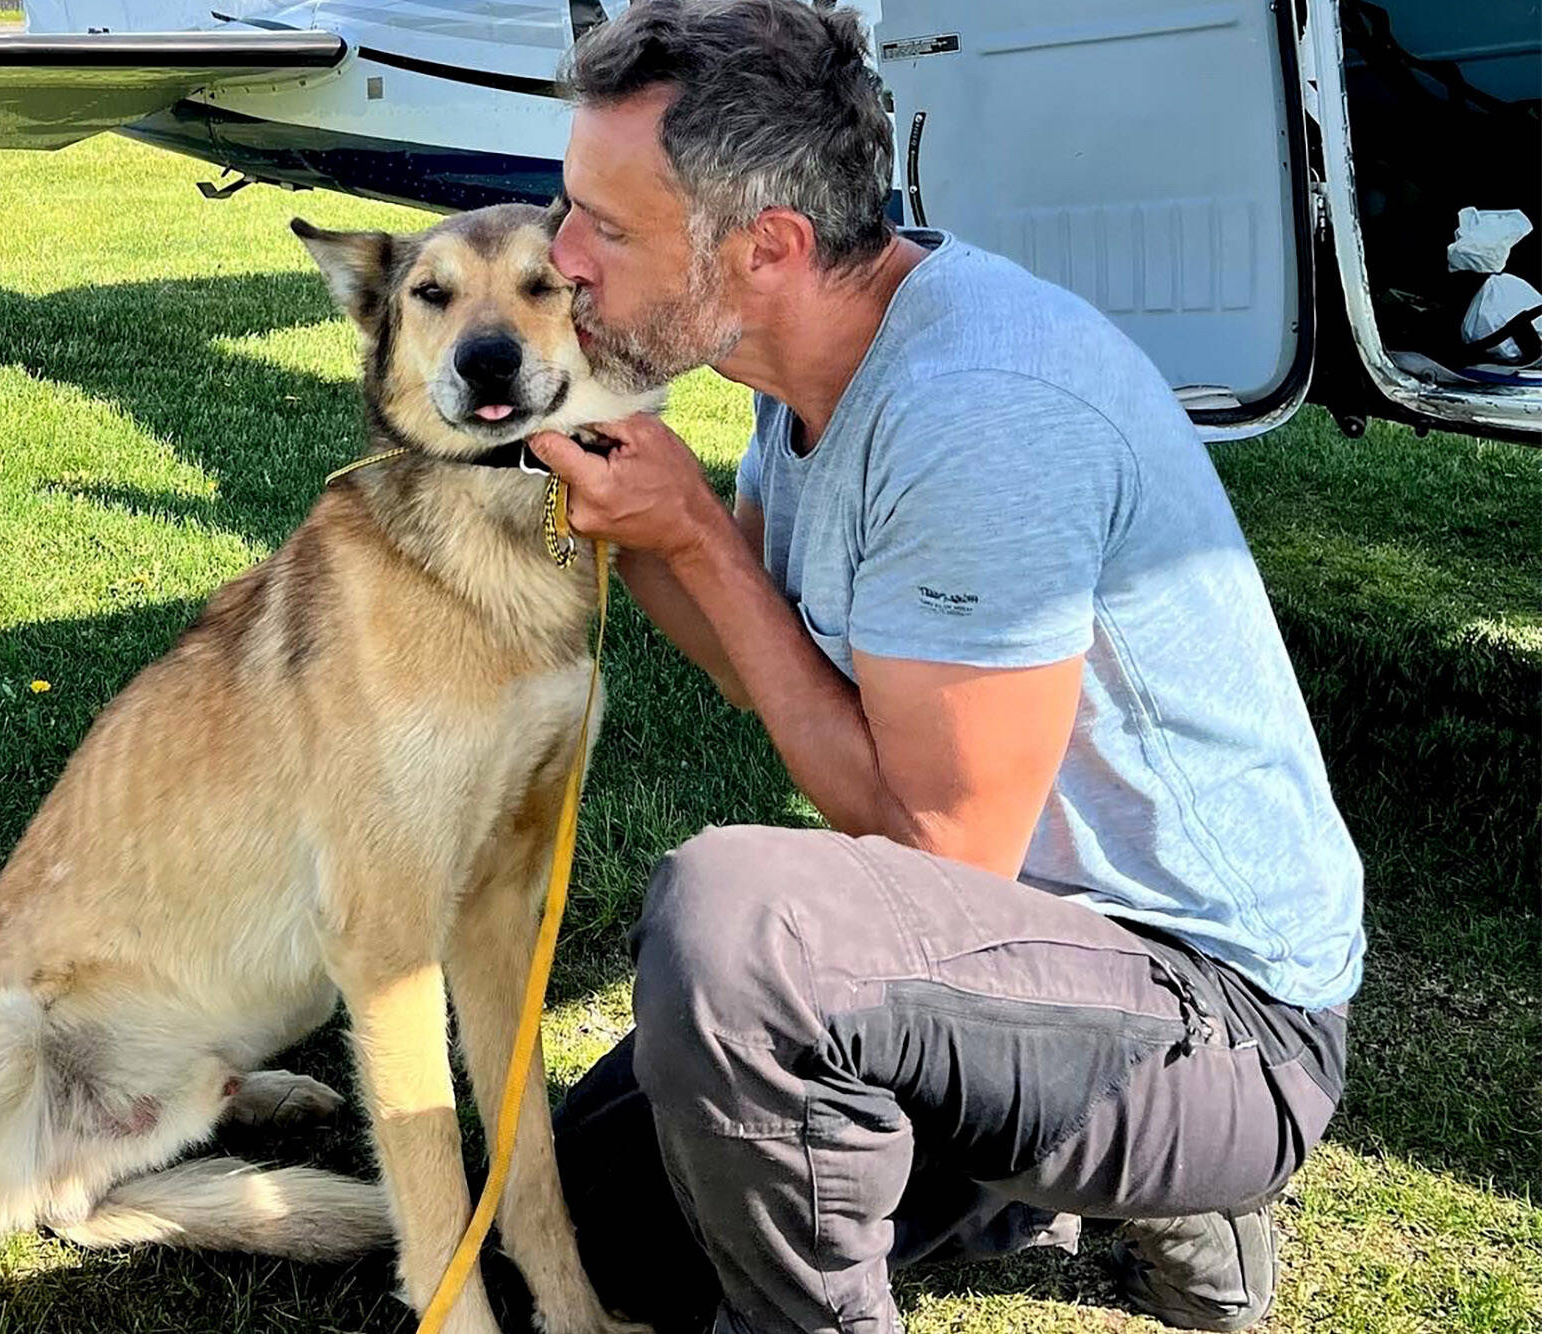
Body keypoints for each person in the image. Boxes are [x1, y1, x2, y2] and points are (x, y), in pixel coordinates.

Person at [517, 1, 1367, 1331]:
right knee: (581, 1221)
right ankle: (1033, 1177)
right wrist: (635, 536)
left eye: (605, 228)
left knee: (742, 929)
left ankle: (1140, 1188)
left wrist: (694, 532)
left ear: (769, 248)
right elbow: (766, 663)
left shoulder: (981, 412)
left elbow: (938, 847)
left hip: (1219, 1016)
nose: (561, 259)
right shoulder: (797, 350)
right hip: (1017, 964)